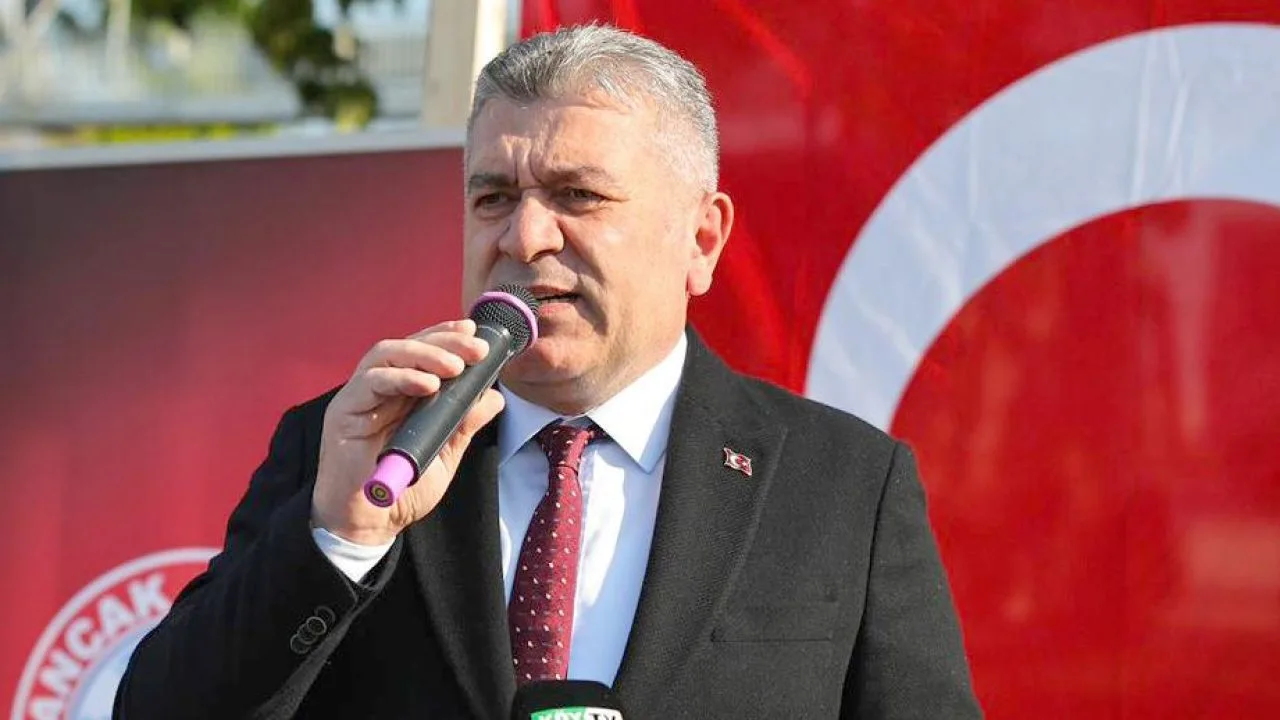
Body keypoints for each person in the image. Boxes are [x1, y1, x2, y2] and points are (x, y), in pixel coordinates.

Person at [114, 24, 982, 719]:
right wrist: (340, 538)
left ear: (702, 239)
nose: (524, 239)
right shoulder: (354, 448)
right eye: (493, 197)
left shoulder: (842, 484)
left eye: (578, 196)